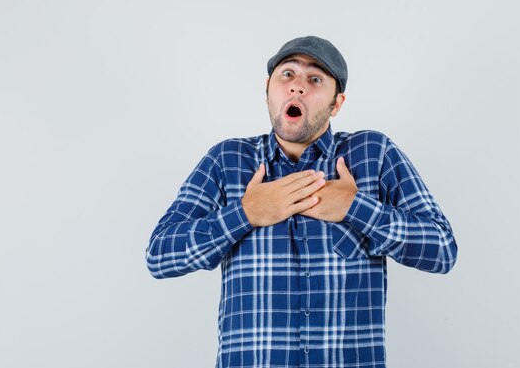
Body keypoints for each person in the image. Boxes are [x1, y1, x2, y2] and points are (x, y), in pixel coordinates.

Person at [146, 36, 457, 368]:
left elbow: (442, 250)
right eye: (287, 74)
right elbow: (161, 255)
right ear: (268, 90)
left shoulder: (373, 154)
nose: (297, 87)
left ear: (336, 103)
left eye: (315, 79)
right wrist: (246, 213)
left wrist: (357, 207)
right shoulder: (227, 160)